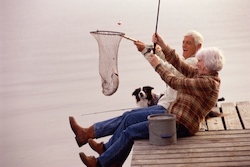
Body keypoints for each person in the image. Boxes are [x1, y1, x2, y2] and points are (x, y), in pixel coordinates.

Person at [69, 33, 224, 167]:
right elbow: (178, 63)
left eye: (201, 61)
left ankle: (100, 163)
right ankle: (109, 159)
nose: (198, 63)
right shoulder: (201, 74)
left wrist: (157, 65)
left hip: (181, 125)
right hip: (171, 117)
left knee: (130, 131)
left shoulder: (207, 83)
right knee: (129, 120)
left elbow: (176, 82)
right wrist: (162, 44)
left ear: (209, 64)